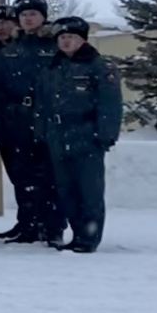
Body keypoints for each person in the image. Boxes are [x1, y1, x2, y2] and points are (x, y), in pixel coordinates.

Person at [38, 17, 121, 253]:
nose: (65, 41)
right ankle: (77, 235)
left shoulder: (99, 66)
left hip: (86, 136)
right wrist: (42, 132)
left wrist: (105, 135)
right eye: (62, 38)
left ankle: (89, 237)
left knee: (89, 191)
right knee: (66, 191)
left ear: (82, 39)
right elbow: (42, 104)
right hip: (57, 137)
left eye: (70, 37)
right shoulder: (53, 68)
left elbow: (110, 104)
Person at [0, 0, 59, 242]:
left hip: (45, 118)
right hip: (14, 119)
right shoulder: (10, 48)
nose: (28, 18)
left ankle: (49, 225)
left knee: (46, 176)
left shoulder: (55, 44)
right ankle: (27, 222)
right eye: (24, 14)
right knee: (21, 176)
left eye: (33, 14)